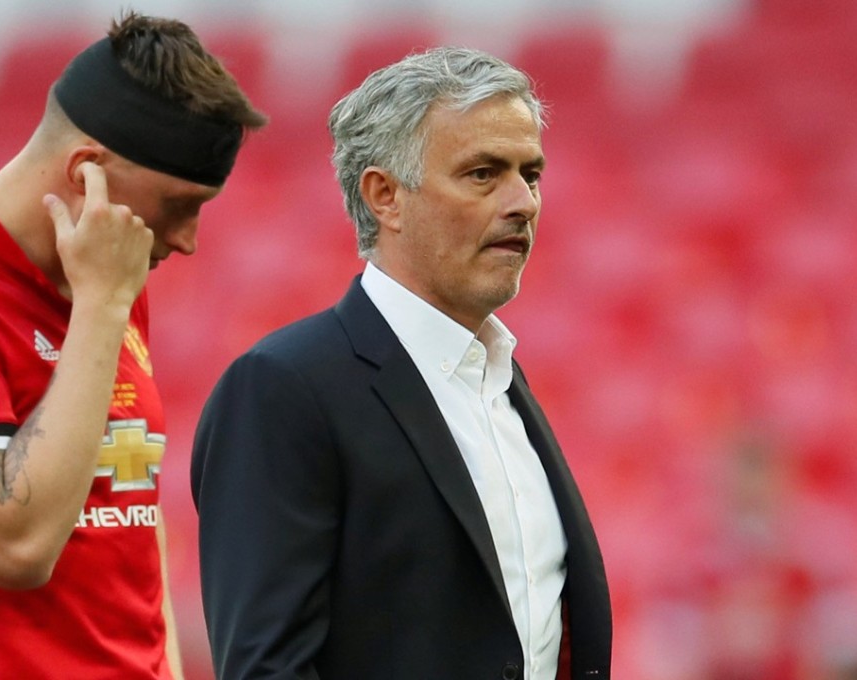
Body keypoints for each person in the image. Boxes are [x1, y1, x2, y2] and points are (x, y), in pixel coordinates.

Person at [0, 11, 266, 680]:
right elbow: (17, 545)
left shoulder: (105, 278)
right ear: (86, 172)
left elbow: (135, 502)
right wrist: (100, 305)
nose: (188, 241)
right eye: (179, 205)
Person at [191, 46, 611, 679]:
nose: (522, 202)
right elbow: (267, 668)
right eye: (482, 173)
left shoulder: (499, 381)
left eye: (530, 174)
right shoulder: (284, 389)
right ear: (385, 196)